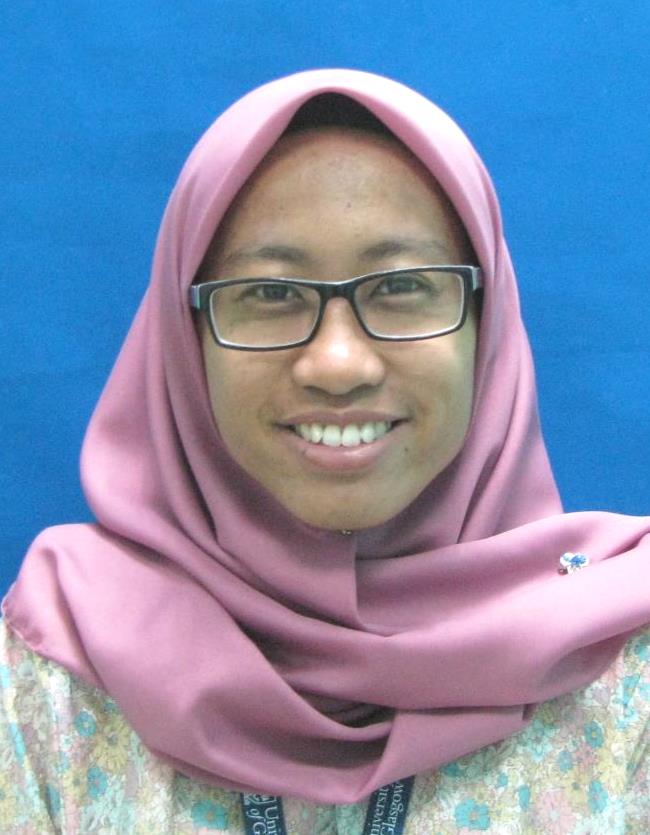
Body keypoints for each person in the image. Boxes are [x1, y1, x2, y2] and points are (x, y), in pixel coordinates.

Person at [1, 68, 648, 834]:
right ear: (184, 338)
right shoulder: (48, 687)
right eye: (271, 293)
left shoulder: (624, 678)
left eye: (403, 285)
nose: (339, 364)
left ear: (489, 323)